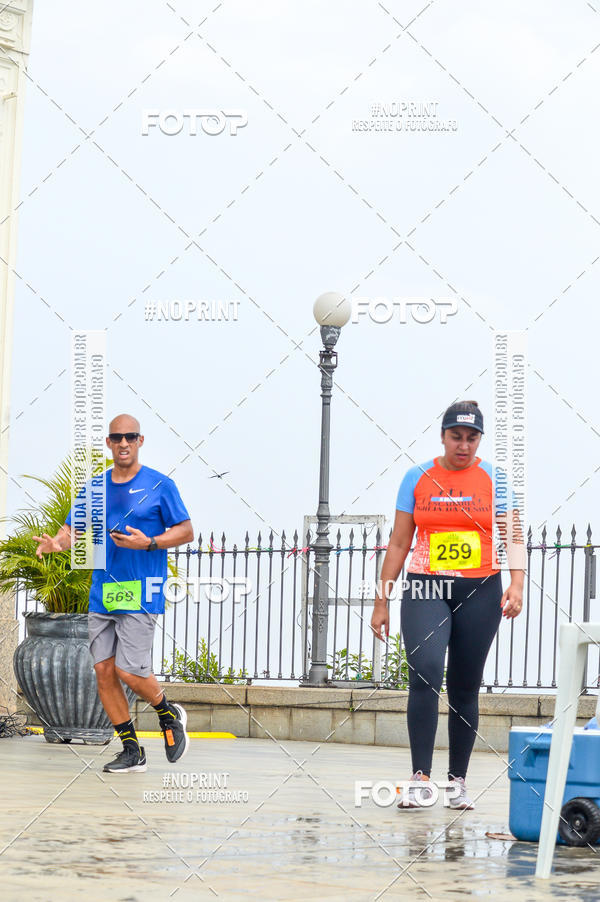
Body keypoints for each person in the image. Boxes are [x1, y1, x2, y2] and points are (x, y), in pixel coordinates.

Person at [371, 400, 525, 810]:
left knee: (464, 684)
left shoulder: (496, 478)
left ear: (479, 440)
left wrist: (517, 584)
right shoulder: (417, 477)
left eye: (472, 437)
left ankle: (457, 781)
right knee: (424, 672)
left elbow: (512, 536)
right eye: (456, 436)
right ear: (443, 436)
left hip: (481, 589)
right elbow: (400, 542)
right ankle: (420, 777)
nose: (464, 445)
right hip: (426, 586)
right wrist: (381, 600)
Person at [34, 414, 194, 774]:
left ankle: (168, 712)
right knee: (104, 672)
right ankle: (131, 750)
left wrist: (149, 542)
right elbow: (72, 528)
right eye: (117, 437)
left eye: (130, 436)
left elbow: (186, 531)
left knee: (128, 669)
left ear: (140, 441)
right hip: (103, 593)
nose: (123, 443)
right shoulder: (94, 488)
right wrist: (57, 543)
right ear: (109, 443)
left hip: (140, 592)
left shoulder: (159, 485)